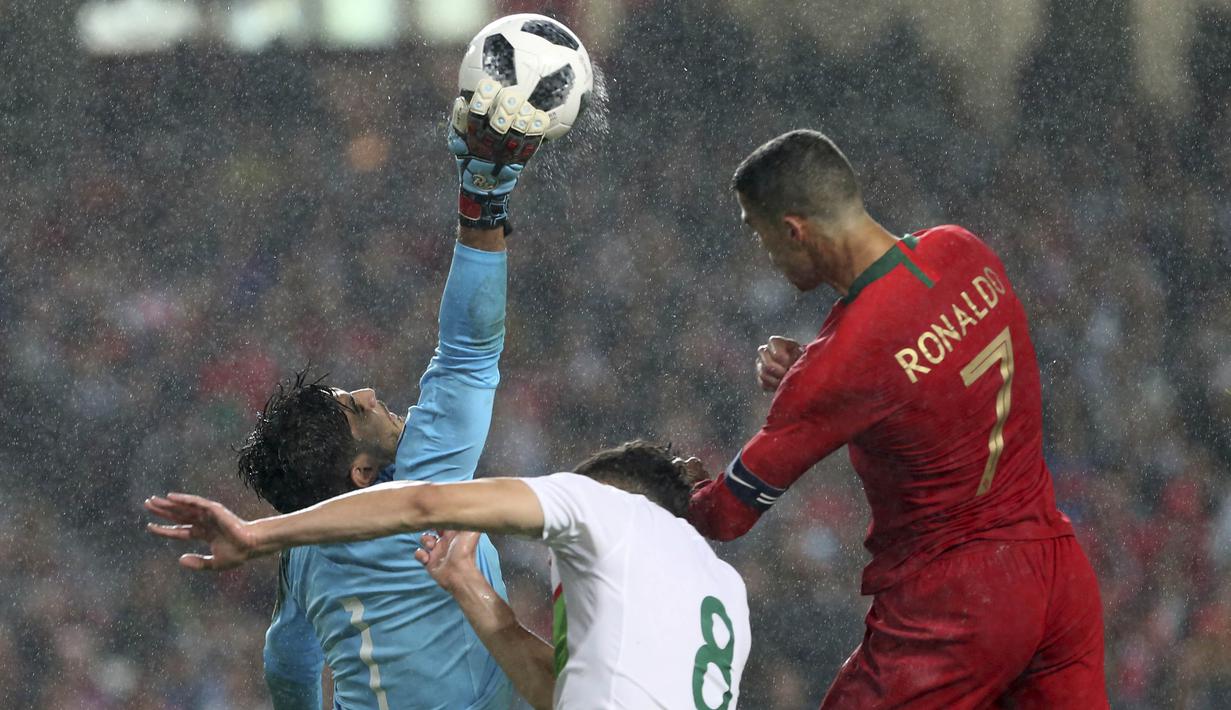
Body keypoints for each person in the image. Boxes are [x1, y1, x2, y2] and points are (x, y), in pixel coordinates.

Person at [687, 130, 1107, 708]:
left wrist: (672, 492)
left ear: (793, 230)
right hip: (1058, 573)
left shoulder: (845, 362)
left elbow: (726, 515)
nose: (768, 257)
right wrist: (817, 374)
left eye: (761, 240)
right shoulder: (963, 249)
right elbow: (928, 376)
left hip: (960, 607)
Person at [226, 85, 549, 710]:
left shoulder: (300, 547)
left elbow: (286, 661)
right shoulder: (422, 482)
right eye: (356, 407)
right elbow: (468, 349)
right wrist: (482, 201)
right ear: (363, 474)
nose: (372, 394)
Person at [146, 440, 752, 710]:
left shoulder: (597, 504)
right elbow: (558, 691)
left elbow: (423, 503)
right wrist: (469, 586)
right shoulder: (725, 591)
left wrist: (257, 536)